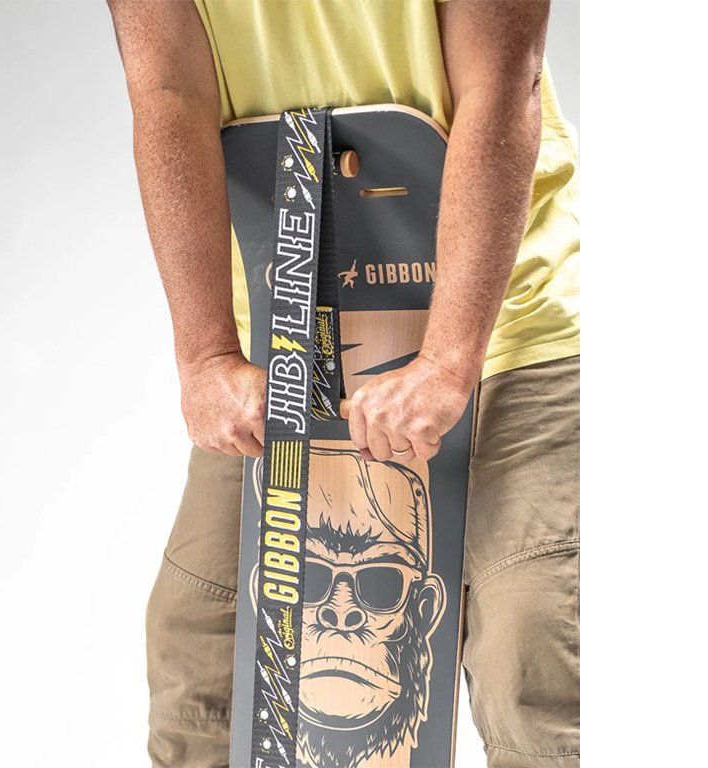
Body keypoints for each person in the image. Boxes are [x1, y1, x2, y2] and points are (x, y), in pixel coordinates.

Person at [107, 1, 580, 766]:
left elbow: (499, 85)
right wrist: (206, 354)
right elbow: (167, 93)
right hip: (289, 326)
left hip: (506, 321)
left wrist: (448, 362)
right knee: (200, 652)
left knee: (533, 654)